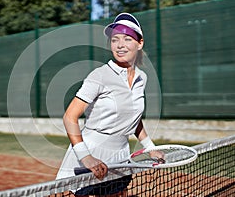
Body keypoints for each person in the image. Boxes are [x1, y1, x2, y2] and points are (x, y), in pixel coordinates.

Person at [56, 13, 164, 196]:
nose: (120, 45)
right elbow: (70, 117)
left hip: (121, 155)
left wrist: (150, 147)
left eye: (127, 39)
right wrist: (86, 157)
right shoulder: (99, 76)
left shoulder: (141, 78)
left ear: (140, 43)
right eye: (115, 40)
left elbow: (133, 119)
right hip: (90, 153)